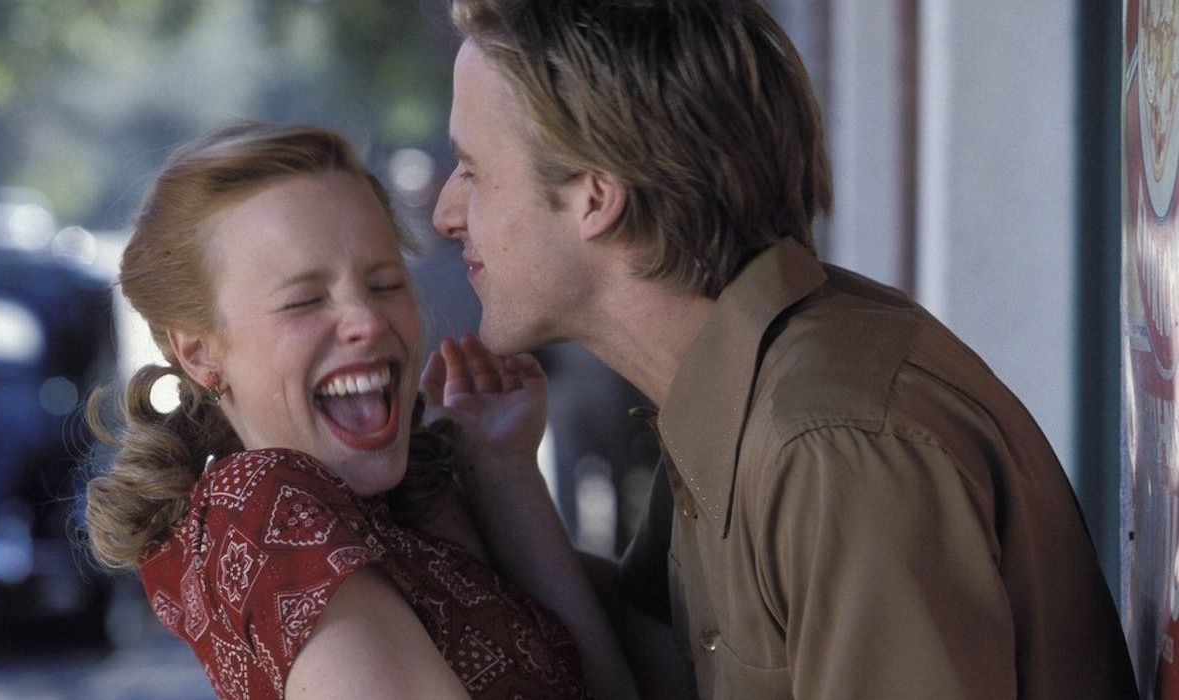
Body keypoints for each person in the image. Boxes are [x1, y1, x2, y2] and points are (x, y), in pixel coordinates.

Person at [428, 0, 1140, 698]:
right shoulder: (738, 393)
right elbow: (641, 666)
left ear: (594, 193)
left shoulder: (829, 443)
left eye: (472, 170)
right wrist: (494, 481)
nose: (445, 215)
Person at [82, 122, 636, 700]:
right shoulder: (264, 502)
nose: (369, 323)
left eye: (385, 283)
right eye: (304, 301)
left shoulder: (392, 509)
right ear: (199, 350)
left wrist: (502, 471)